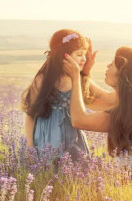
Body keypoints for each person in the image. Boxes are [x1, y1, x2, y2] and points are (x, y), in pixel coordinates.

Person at [63, 46, 132, 172]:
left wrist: (75, 77)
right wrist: (84, 72)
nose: (107, 66)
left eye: (112, 64)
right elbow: (92, 98)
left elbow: (78, 120)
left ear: (123, 73)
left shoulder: (127, 114)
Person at [21, 29, 116, 161]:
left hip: (73, 140)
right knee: (48, 174)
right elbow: (31, 115)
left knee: (75, 174)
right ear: (64, 56)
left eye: (85, 55)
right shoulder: (42, 80)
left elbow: (109, 98)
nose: (84, 59)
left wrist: (131, 84)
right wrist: (30, 147)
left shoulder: (80, 80)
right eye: (79, 54)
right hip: (46, 140)